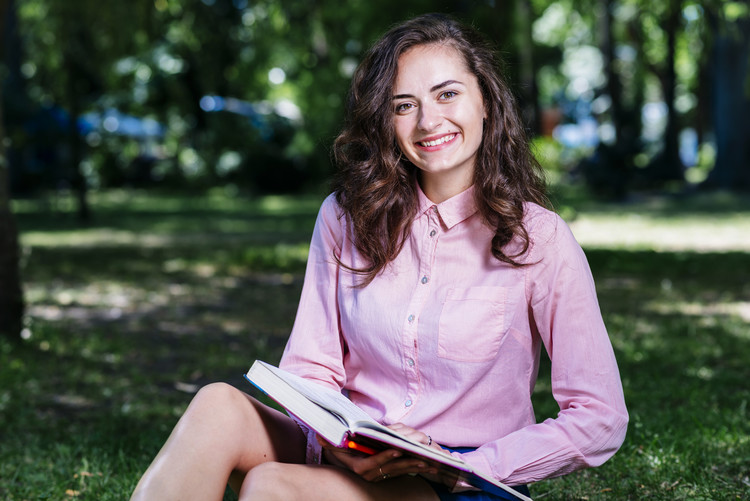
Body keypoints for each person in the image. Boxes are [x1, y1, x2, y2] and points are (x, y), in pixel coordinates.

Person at [130, 13, 628, 501]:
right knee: (218, 404)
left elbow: (599, 417)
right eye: (404, 105)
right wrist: (339, 444)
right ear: (385, 120)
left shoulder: (538, 238)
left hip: (461, 475)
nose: (428, 120)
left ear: (486, 103)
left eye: (447, 94)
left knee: (272, 486)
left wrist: (467, 468)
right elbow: (309, 368)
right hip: (351, 446)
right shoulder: (345, 217)